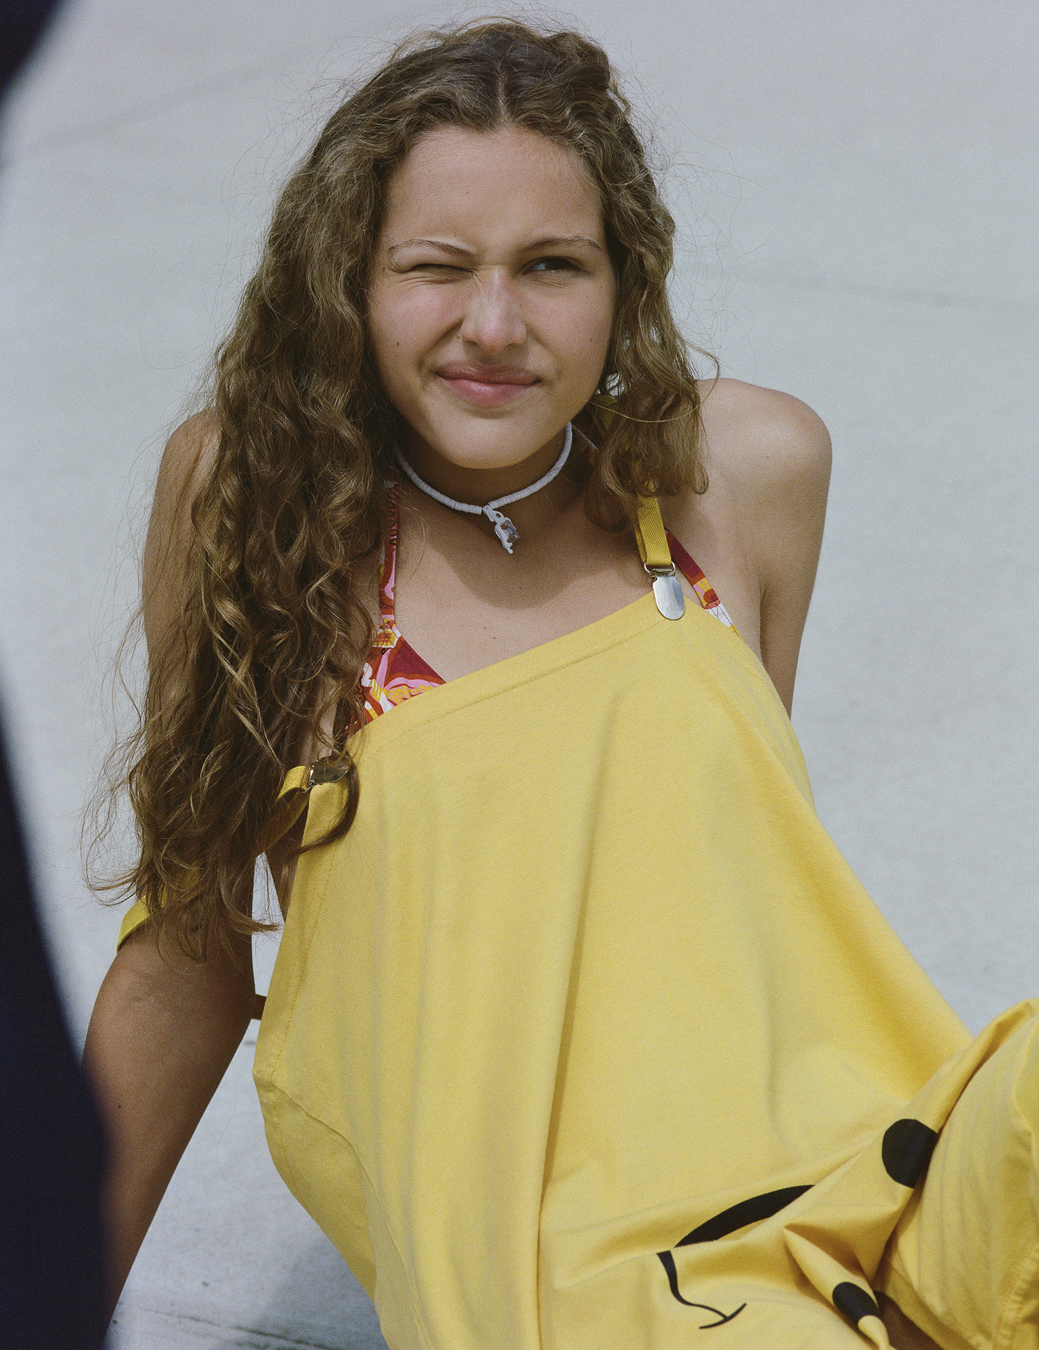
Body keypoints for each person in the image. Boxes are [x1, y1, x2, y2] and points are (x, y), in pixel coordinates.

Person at [84, 20, 1038, 1349]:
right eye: (436, 268)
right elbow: (187, 953)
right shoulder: (258, 503)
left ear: (622, 274)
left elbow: (725, 906)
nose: (496, 324)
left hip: (876, 1163)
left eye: (552, 267)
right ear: (348, 282)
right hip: (577, 1269)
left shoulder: (745, 474)